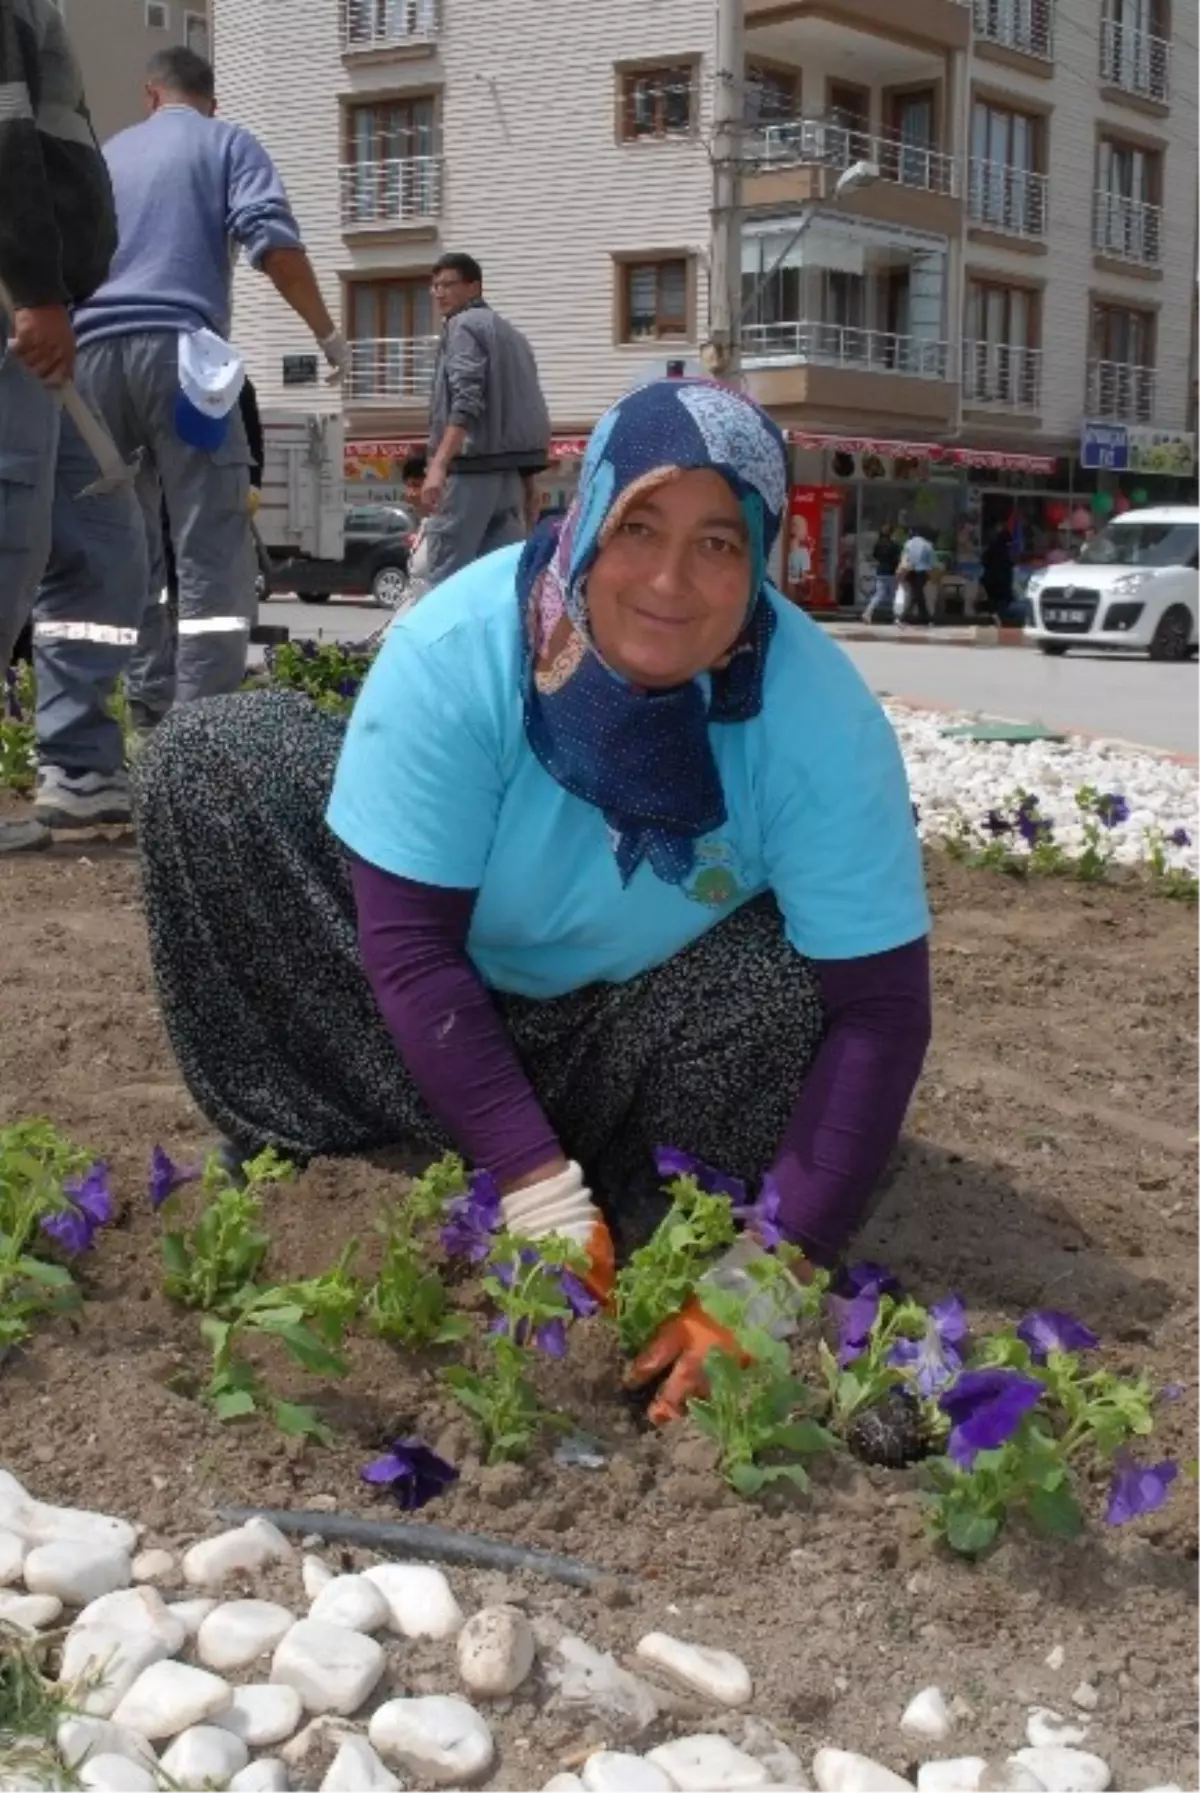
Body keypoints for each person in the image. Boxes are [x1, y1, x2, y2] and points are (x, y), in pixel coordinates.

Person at [132, 379, 932, 1421]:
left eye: (720, 543)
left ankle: (648, 1205)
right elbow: (412, 950)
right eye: (639, 525)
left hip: (626, 1040)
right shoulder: (459, 652)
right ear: (588, 515)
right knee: (209, 762)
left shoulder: (817, 722)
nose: (669, 580)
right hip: (409, 1016)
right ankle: (353, 1142)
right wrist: (533, 1181)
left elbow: (881, 1010)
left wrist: (777, 1272)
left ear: (763, 561)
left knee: (788, 978)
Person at [47, 46, 345, 740]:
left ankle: (136, 709)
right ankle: (197, 728)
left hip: (90, 361)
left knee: (121, 545)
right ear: (208, 101)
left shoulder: (110, 154)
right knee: (208, 539)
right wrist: (327, 335)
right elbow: (272, 245)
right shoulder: (227, 143)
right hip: (183, 358)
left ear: (151, 96)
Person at [0, 0, 145, 850]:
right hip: (21, 301)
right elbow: (8, 139)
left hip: (36, 306)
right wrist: (37, 290)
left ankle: (82, 772)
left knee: (99, 534)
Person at [131, 378, 268, 737]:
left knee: (202, 602)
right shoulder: (166, 375)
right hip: (164, 515)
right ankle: (165, 705)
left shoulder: (230, 379)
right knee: (160, 600)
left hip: (197, 516)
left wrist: (253, 482)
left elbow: (251, 434)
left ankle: (196, 714)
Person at [422, 253, 551, 588]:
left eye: (448, 284)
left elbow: (467, 397)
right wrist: (529, 481)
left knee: (444, 579)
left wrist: (439, 464)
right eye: (435, 286)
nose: (439, 293)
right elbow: (525, 405)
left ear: (474, 286)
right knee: (498, 583)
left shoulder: (462, 325)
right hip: (508, 477)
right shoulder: (512, 335)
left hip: (470, 471)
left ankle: (437, 642)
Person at [863, 524, 901, 624]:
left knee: (879, 594)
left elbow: (874, 555)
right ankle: (896, 617)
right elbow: (897, 559)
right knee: (894, 595)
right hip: (891, 572)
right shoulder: (894, 545)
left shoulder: (878, 544)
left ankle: (868, 612)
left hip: (880, 571)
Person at [897, 525, 935, 627]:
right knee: (918, 594)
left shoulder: (908, 544)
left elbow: (904, 558)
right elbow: (931, 563)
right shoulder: (928, 545)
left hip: (910, 571)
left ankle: (920, 618)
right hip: (922, 572)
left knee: (916, 594)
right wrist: (931, 573)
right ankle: (925, 618)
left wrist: (901, 571)